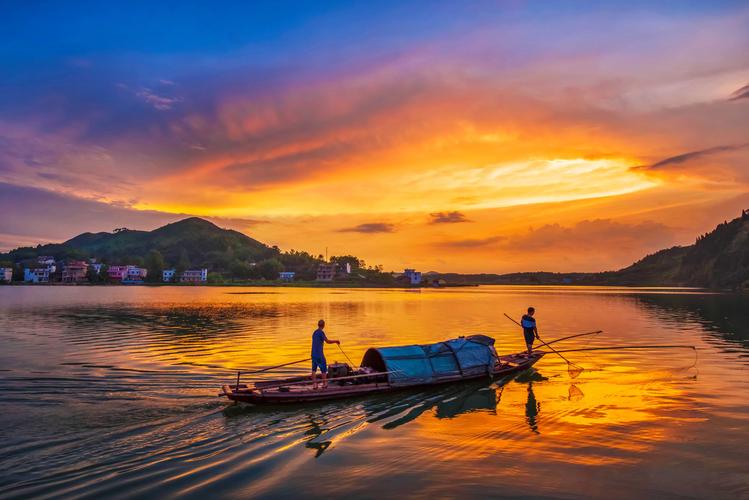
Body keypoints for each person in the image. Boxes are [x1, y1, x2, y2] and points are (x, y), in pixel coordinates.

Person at [311, 319, 340, 390]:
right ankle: (325, 384)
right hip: (319, 354)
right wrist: (336, 341)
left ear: (318, 325)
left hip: (313, 354)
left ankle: (315, 384)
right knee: (323, 369)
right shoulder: (321, 333)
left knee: (313, 369)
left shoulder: (314, 332)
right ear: (323, 326)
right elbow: (327, 341)